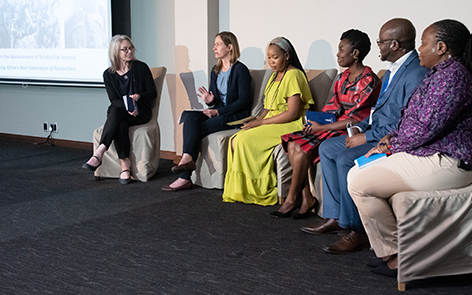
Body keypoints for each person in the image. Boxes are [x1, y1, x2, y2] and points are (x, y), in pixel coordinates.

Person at [348, 19, 472, 277]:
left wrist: (388, 147)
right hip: (429, 154)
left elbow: (424, 128)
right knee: (358, 174)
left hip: (449, 163)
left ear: (441, 47)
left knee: (358, 181)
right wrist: (388, 139)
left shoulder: (453, 78)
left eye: (424, 43)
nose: (419, 48)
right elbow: (411, 121)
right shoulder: (441, 74)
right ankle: (395, 253)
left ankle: (397, 256)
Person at [301, 18, 428, 254]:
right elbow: (376, 111)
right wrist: (360, 128)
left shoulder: (416, 73)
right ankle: (336, 217)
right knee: (328, 148)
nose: (377, 46)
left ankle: (357, 231)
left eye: (381, 41)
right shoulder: (391, 73)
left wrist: (368, 137)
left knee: (345, 158)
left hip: (388, 140)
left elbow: (407, 122)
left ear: (395, 44)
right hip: (371, 131)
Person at [273, 30, 381, 219]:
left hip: (351, 131)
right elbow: (333, 108)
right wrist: (316, 122)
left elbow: (354, 120)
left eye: (341, 50)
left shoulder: (369, 81)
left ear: (355, 54)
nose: (337, 54)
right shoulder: (341, 78)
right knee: (293, 142)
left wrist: (320, 128)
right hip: (333, 126)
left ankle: (291, 199)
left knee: (302, 146)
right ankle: (306, 198)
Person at [222, 37, 314, 206]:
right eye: (269, 57)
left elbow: (293, 113)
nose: (271, 61)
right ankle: (244, 189)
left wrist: (261, 124)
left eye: (275, 57)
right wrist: (255, 121)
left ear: (287, 55)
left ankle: (260, 188)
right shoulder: (273, 76)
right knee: (236, 138)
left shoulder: (294, 74)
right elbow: (267, 108)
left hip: (289, 123)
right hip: (273, 120)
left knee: (243, 140)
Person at [164, 31, 252, 191]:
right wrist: (210, 101)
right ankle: (186, 158)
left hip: (235, 116)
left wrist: (218, 111)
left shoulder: (241, 71)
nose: (214, 48)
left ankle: (184, 176)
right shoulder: (215, 70)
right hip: (219, 112)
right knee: (190, 116)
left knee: (197, 129)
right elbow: (215, 101)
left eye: (218, 44)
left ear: (230, 47)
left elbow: (243, 102)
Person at [82, 35, 157, 184]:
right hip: (122, 111)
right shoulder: (108, 74)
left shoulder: (141, 67)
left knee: (115, 114)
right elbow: (114, 100)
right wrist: (129, 108)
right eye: (125, 49)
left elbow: (152, 93)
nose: (129, 52)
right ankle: (125, 166)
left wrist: (138, 98)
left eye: (131, 48)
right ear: (116, 52)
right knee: (119, 120)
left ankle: (99, 153)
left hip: (141, 112)